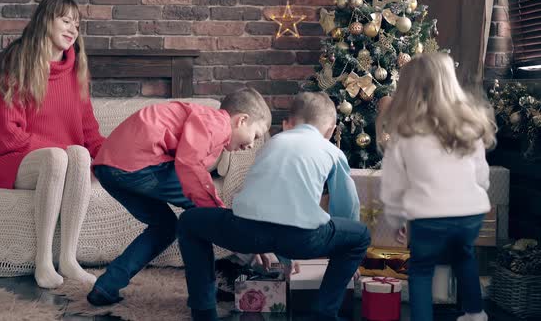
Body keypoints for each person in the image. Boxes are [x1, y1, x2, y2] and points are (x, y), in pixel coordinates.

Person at [177, 92, 371, 321]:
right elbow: (346, 206)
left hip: (245, 231)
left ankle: (204, 310)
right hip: (303, 238)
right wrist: (343, 250)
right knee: (360, 236)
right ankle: (323, 313)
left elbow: (271, 203)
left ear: (287, 125)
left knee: (189, 222)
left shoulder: (272, 144)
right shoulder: (332, 151)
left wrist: (286, 261)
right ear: (330, 131)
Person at [86, 88, 272, 306]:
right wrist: (242, 238)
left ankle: (106, 287)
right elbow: (189, 165)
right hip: (138, 162)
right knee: (203, 216)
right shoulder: (216, 122)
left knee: (165, 226)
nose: (251, 145)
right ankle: (204, 295)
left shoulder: (207, 126)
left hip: (109, 168)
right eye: (256, 136)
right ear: (242, 120)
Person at [0, 0, 105, 289]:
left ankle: (67, 259)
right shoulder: (18, 64)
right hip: (16, 161)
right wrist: (57, 150)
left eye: (77, 24)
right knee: (58, 156)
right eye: (66, 20)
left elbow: (89, 133)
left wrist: (116, 158)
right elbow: (7, 136)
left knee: (77, 153)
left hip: (66, 163)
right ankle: (43, 263)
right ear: (45, 21)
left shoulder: (77, 72)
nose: (73, 29)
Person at [378, 53, 497, 321]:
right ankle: (475, 314)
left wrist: (396, 218)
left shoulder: (404, 133)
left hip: (428, 216)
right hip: (470, 214)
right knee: (464, 258)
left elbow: (394, 185)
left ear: (406, 89)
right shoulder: (468, 126)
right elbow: (481, 175)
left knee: (421, 270)